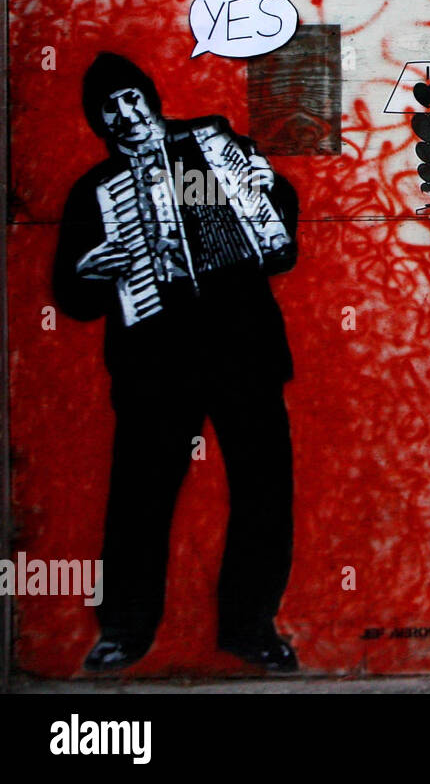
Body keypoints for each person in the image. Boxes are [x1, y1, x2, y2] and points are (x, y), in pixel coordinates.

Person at [54, 52, 300, 672]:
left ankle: (250, 626)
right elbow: (73, 294)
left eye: (133, 97)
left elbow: (272, 239)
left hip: (241, 347)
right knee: (140, 494)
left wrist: (273, 192)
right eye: (109, 107)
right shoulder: (96, 191)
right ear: (98, 122)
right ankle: (125, 628)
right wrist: (87, 273)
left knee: (263, 489)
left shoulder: (213, 151)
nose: (125, 113)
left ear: (152, 98)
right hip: (155, 362)